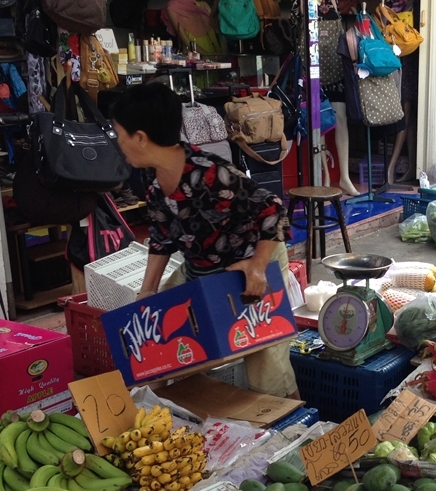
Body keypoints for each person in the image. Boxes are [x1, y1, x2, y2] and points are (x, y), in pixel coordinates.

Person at [111, 82, 301, 400]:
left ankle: (298, 427)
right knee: (153, 334)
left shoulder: (212, 174)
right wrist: (147, 293)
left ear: (141, 139)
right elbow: (161, 239)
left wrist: (257, 267)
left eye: (120, 134)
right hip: (201, 269)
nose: (118, 142)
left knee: (266, 362)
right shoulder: (156, 184)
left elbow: (272, 209)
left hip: (254, 258)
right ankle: (157, 408)